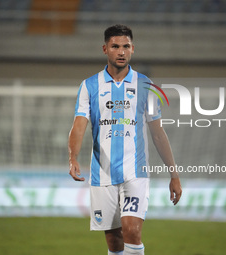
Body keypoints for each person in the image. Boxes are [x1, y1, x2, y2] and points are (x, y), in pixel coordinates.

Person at [68, 24, 182, 255]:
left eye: (126, 46)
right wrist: (73, 158)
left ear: (132, 49)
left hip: (135, 171)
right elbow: (79, 125)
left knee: (131, 230)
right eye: (115, 46)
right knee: (114, 240)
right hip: (103, 172)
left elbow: (158, 133)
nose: (121, 51)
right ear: (105, 49)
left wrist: (174, 174)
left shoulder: (146, 85)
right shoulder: (89, 86)